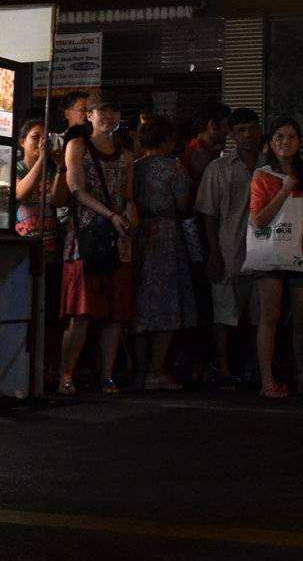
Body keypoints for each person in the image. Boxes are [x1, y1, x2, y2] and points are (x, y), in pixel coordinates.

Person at [58, 91, 138, 396]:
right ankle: (67, 373)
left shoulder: (126, 154)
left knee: (116, 313)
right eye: (101, 112)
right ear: (88, 115)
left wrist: (130, 215)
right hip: (86, 237)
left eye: (113, 112)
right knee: (81, 311)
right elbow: (76, 189)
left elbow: (129, 194)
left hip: (119, 238)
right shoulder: (78, 146)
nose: (108, 117)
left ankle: (107, 374)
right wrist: (112, 214)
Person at [250, 117, 303, 399]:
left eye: (291, 137)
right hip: (271, 252)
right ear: (270, 142)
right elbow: (259, 218)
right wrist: (284, 190)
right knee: (270, 316)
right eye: (279, 136)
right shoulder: (263, 175)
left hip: (301, 252)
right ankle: (267, 381)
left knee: (302, 318)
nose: (285, 142)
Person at [195, 108, 263, 390]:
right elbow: (208, 214)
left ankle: (257, 367)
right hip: (229, 247)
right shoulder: (218, 169)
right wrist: (213, 251)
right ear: (232, 134)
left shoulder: (270, 165)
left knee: (260, 316)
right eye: (241, 130)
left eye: (252, 129)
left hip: (264, 252)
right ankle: (224, 369)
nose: (247, 135)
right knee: (224, 315)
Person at [130, 116, 196, 390]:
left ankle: (139, 370)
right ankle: (157, 370)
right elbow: (183, 205)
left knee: (140, 304)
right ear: (167, 139)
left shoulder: (134, 168)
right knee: (168, 302)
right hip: (167, 236)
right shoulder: (175, 169)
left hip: (137, 233)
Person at [15, 115, 67, 383]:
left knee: (53, 318)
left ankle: (50, 370)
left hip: (52, 250)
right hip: (23, 253)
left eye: (44, 139)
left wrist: (59, 167)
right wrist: (39, 163)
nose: (40, 144)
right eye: (35, 138)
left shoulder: (52, 169)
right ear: (22, 141)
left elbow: (59, 199)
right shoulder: (15, 168)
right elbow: (20, 193)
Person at [182, 102, 230, 191]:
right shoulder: (200, 154)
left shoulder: (197, 148)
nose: (228, 131)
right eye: (226, 125)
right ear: (212, 125)